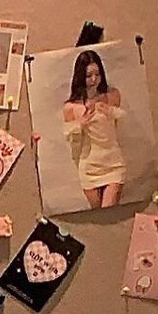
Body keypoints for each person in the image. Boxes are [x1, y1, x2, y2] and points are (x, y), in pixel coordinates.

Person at [63, 48, 127, 208]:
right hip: (89, 166)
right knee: (97, 214)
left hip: (113, 163)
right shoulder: (71, 107)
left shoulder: (112, 96)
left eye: (97, 74)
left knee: (109, 210)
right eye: (89, 76)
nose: (94, 79)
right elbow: (72, 143)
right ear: (80, 77)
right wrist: (80, 124)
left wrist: (110, 111)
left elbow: (121, 126)